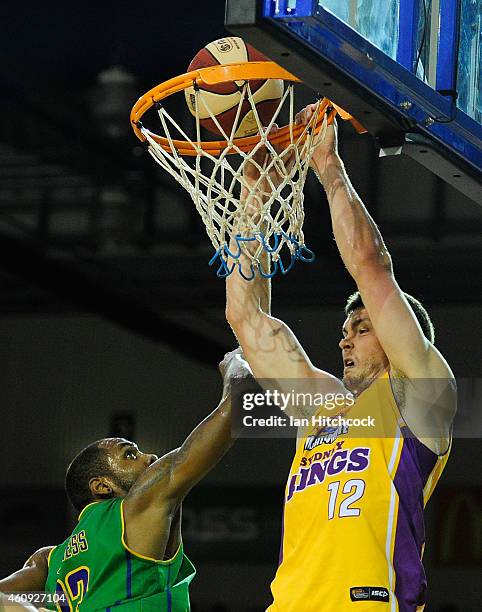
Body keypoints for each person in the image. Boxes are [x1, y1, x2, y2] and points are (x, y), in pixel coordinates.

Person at [225, 109, 456, 611]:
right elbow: (246, 318)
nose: (345, 341)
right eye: (344, 332)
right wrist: (253, 196)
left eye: (362, 328)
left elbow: (372, 270)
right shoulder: (322, 407)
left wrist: (328, 167)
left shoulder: (420, 394)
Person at [0, 349, 252, 611]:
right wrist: (238, 364)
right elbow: (234, 406)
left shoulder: (48, 560)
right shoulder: (137, 508)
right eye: (130, 454)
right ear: (101, 486)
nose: (149, 456)